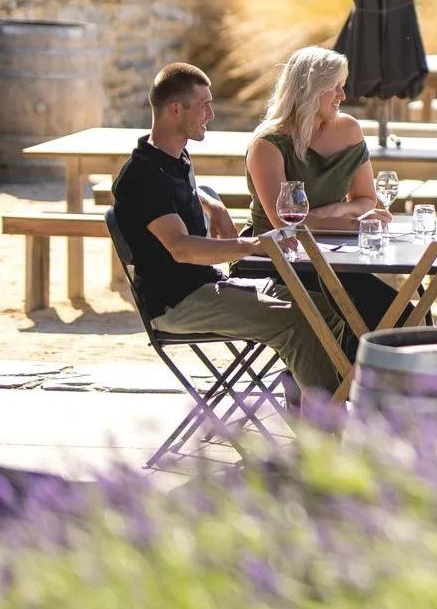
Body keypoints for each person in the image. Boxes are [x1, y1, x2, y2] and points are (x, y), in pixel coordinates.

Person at [110, 63, 345, 396]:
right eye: (204, 105)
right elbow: (182, 248)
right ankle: (328, 430)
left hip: (208, 285)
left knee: (325, 307)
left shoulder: (173, 158)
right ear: (175, 110)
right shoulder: (143, 176)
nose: (211, 114)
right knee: (296, 322)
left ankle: (305, 400)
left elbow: (191, 191)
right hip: (178, 304)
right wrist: (249, 246)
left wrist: (214, 205)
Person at [245, 46, 404, 335]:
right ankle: (345, 379)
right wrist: (353, 224)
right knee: (367, 313)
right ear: (310, 89)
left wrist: (336, 211)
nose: (343, 96)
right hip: (277, 259)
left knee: (401, 311)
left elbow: (366, 198)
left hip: (333, 256)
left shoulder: (349, 130)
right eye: (335, 88)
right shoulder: (267, 144)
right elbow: (285, 222)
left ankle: (376, 378)